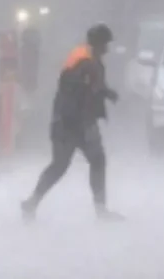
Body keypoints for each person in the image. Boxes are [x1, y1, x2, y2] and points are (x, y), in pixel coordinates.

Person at [21, 24, 121, 221]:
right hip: (73, 124)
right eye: (105, 44)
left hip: (70, 122)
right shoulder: (85, 62)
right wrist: (80, 120)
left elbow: (91, 87)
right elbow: (75, 91)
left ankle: (32, 203)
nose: (107, 49)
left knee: (69, 164)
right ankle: (100, 211)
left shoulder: (87, 60)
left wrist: (107, 93)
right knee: (77, 164)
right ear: (98, 43)